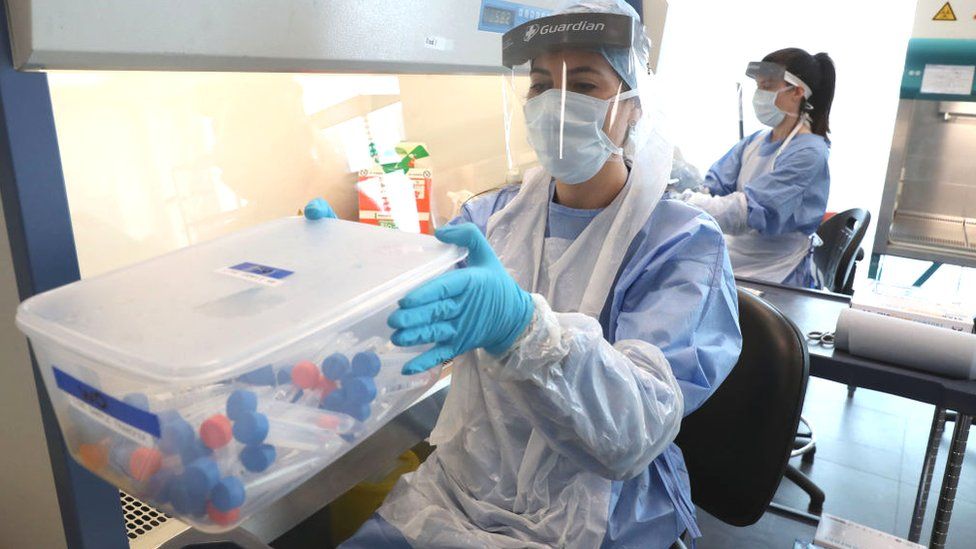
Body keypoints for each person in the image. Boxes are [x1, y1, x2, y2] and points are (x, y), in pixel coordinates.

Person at [305, 1, 741, 546]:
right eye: (541, 86)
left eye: (583, 85)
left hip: (597, 507)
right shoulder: (490, 219)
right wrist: (344, 269)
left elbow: (634, 434)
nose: (555, 105)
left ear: (633, 106)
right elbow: (420, 315)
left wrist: (523, 330)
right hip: (464, 488)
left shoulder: (682, 245)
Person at [683, 48, 836, 288]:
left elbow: (747, 213)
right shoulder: (755, 142)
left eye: (767, 87)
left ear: (797, 92)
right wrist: (681, 182)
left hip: (775, 272)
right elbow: (713, 187)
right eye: (758, 86)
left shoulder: (809, 153)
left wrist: (685, 202)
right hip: (737, 259)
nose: (758, 95)